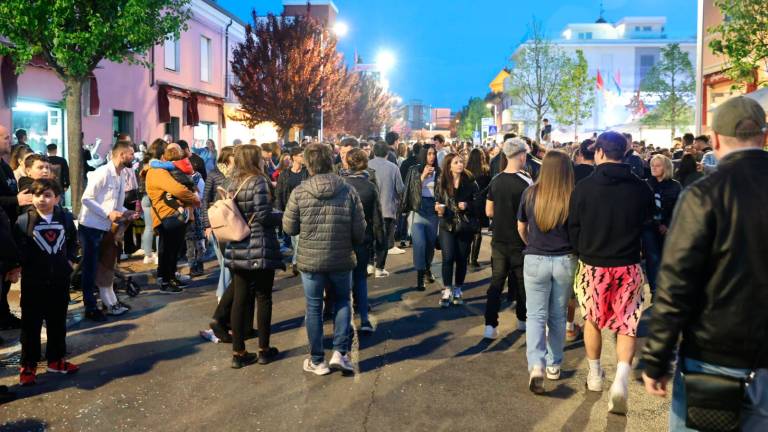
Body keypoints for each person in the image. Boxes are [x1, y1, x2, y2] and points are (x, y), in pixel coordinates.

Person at [641, 96, 768, 431]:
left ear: (714, 139)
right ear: (764, 137)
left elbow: (676, 281)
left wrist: (657, 356)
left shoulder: (703, 194)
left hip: (712, 356)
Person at [569, 131, 653, 415]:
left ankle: (594, 374)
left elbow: (573, 227)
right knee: (627, 323)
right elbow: (647, 225)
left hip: (593, 264)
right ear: (625, 152)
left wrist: (583, 250)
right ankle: (620, 378)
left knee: (591, 319)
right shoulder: (641, 188)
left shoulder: (584, 187)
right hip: (627, 264)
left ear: (601, 152)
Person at [283, 143, 366, 376]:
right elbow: (360, 231)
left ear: (309, 164)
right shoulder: (348, 190)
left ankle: (317, 359)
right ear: (330, 161)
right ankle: (340, 352)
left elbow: (289, 227)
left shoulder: (299, 192)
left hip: (311, 260)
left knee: (313, 308)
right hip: (341, 257)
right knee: (342, 302)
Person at [517, 150, 577, 394]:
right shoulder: (572, 196)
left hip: (534, 258)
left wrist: (530, 243)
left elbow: (521, 226)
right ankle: (554, 364)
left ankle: (536, 365)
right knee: (558, 315)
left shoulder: (530, 193)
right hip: (564, 259)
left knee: (535, 316)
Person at [221, 145, 284, 368]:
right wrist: (283, 217)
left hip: (237, 243)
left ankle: (238, 352)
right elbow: (264, 216)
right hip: (259, 244)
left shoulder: (231, 182)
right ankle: (264, 349)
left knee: (240, 298)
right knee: (263, 296)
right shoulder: (258, 181)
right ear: (254, 159)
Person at [14, 179, 79, 385]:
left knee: (58, 322)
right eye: (38, 195)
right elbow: (17, 247)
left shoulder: (65, 219)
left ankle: (56, 360)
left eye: (48, 195)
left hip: (59, 280)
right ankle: (28, 365)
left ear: (57, 198)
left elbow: (72, 241)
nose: (42, 199)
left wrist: (69, 260)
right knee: (30, 325)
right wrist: (20, 265)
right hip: (34, 281)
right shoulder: (24, 220)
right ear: (31, 197)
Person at [79, 140, 140, 321]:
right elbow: (86, 199)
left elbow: (115, 204)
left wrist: (125, 212)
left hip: (106, 228)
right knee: (89, 269)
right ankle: (90, 307)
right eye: (131, 153)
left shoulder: (121, 174)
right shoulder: (102, 173)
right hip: (90, 227)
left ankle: (107, 303)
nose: (133, 156)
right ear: (122, 155)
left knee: (104, 266)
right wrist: (108, 213)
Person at [483, 138, 532, 339]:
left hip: (499, 241)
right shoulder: (527, 182)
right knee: (522, 284)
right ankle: (522, 320)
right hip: (520, 241)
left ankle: (490, 325)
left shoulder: (495, 180)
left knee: (496, 283)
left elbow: (488, 211)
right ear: (521, 156)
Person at [145, 143, 201, 294]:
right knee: (169, 250)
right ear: (162, 155)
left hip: (172, 214)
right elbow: (177, 189)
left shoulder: (161, 169)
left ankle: (169, 276)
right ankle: (166, 280)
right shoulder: (158, 171)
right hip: (169, 214)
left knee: (171, 249)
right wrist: (194, 199)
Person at [341, 148, 384, 333]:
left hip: (342, 239)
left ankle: (346, 321)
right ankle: (365, 319)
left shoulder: (341, 185)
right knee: (361, 280)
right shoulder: (370, 187)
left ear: (348, 163)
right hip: (364, 239)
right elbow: (377, 218)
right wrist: (381, 241)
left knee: (344, 283)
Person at [435, 153, 480, 307]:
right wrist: (438, 208)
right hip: (447, 224)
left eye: (461, 162)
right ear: (449, 165)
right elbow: (438, 200)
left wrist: (468, 205)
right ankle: (447, 288)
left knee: (461, 258)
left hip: (465, 225)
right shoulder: (441, 181)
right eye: (456, 162)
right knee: (447, 257)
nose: (460, 164)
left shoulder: (470, 181)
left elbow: (479, 203)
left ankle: (458, 289)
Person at [401, 145, 440, 291]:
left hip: (432, 210)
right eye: (429, 154)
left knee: (430, 244)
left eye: (434, 154)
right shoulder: (414, 170)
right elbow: (410, 190)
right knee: (419, 244)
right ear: (424, 156)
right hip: (418, 209)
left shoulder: (439, 172)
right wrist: (423, 176)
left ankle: (427, 268)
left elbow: (442, 191)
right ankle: (420, 276)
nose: (432, 157)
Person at [642, 154, 681, 298]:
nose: (653, 168)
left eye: (657, 165)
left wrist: (667, 224)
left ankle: (668, 290)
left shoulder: (675, 186)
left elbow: (679, 208)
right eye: (652, 165)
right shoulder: (645, 184)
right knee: (653, 259)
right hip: (648, 227)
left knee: (667, 259)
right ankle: (655, 291)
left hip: (668, 228)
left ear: (666, 167)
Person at [368, 141, 405, 277]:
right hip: (388, 209)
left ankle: (370, 264)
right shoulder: (393, 167)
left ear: (374, 151)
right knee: (383, 240)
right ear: (387, 153)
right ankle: (380, 268)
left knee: (371, 238)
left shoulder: (367, 165)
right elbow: (400, 188)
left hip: (370, 210)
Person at [202, 146, 235, 299]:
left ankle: (225, 294)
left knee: (228, 259)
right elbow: (205, 199)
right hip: (216, 221)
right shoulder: (214, 174)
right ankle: (225, 293)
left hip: (232, 221)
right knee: (223, 259)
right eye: (235, 155)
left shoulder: (237, 174)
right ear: (228, 157)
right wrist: (206, 225)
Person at [274, 147, 309, 277]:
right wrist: (279, 212)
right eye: (300, 155)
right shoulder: (285, 174)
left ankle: (296, 262)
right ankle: (297, 259)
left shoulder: (307, 172)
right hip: (289, 209)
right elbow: (278, 193)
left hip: (304, 209)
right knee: (293, 238)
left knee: (299, 237)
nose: (303, 157)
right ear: (294, 157)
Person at [138, 139, 167, 265]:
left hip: (145, 197)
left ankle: (147, 255)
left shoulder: (143, 163)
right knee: (160, 227)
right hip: (156, 197)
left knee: (149, 227)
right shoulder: (158, 165)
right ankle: (159, 255)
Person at [466, 148, 490, 268]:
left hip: (469, 203)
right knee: (478, 231)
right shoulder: (486, 170)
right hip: (481, 204)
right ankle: (474, 259)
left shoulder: (466, 170)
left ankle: (465, 257)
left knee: (468, 230)